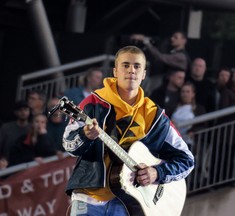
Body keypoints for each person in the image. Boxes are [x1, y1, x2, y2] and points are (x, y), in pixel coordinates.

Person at [62, 46, 194, 216]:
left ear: (144, 74)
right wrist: (85, 135)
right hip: (87, 197)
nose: (131, 70)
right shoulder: (93, 102)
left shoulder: (154, 115)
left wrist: (157, 172)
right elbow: (68, 143)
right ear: (115, 71)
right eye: (125, 65)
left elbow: (187, 160)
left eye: (137, 66)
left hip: (127, 203)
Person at [0, 100, 30, 169]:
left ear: (29, 112)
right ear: (16, 112)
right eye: (20, 110)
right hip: (7, 165)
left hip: (27, 165)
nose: (23, 112)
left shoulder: (33, 128)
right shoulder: (6, 128)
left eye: (26, 110)